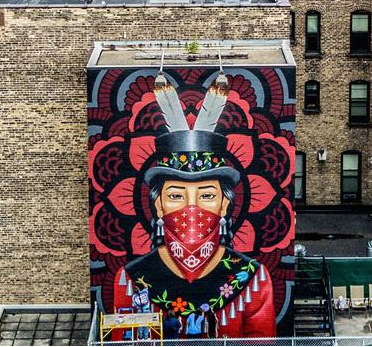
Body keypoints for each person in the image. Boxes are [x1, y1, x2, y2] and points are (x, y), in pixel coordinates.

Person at [113, 71, 275, 338]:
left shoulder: (253, 279)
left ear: (225, 205)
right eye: (176, 195)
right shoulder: (131, 279)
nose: (191, 208)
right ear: (158, 206)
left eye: (207, 195)